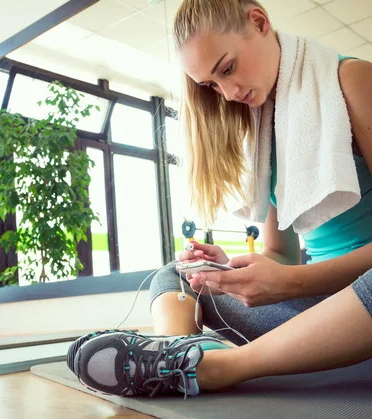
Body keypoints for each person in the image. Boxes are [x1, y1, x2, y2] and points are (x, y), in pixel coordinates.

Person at [67, 0, 372, 398]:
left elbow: (293, 274)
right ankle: (177, 358)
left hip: (360, 306)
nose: (227, 94)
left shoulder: (353, 79)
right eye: (211, 84)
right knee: (179, 276)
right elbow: (281, 252)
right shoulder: (271, 128)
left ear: (259, 21)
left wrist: (292, 282)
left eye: (227, 68)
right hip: (325, 312)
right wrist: (231, 271)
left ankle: (217, 368)